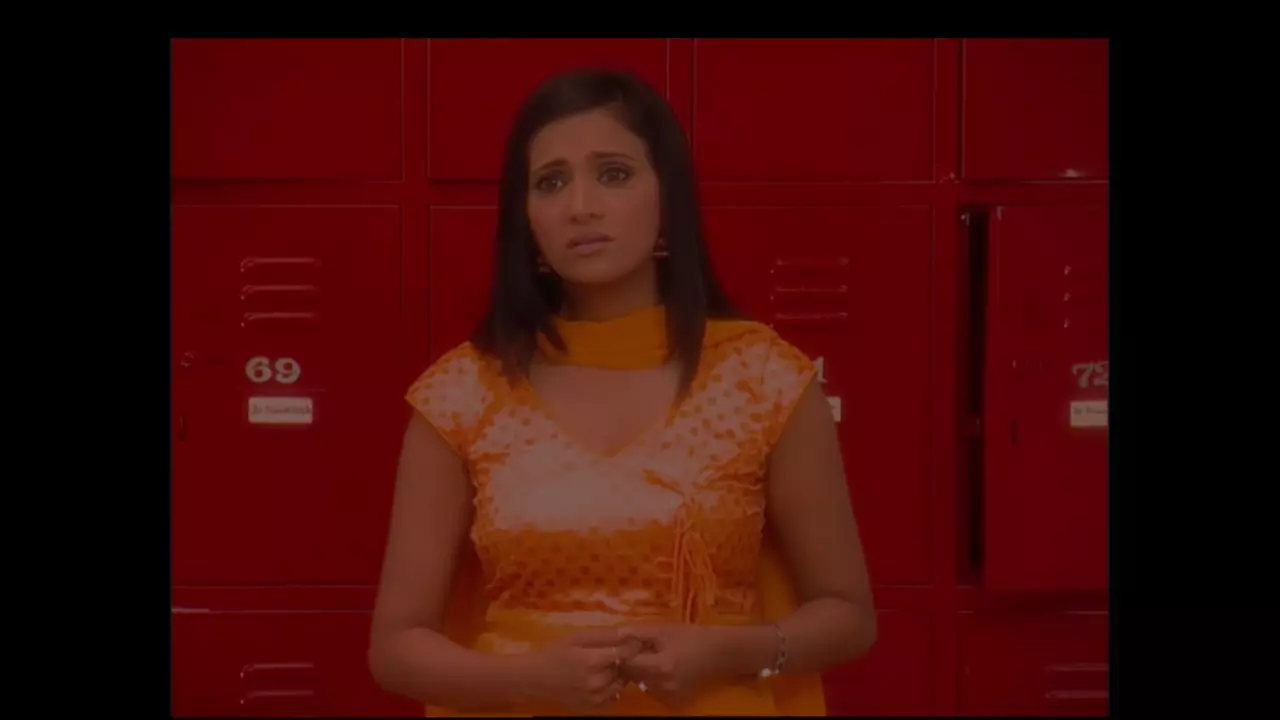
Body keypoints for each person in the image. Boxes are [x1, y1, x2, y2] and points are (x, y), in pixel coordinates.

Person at [367, 67, 876, 717]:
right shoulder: (462, 394)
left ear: (668, 201)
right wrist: (528, 681)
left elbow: (848, 615)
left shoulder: (764, 380)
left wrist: (729, 651)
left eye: (613, 173)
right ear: (527, 219)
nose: (581, 205)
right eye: (551, 182)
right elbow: (396, 646)